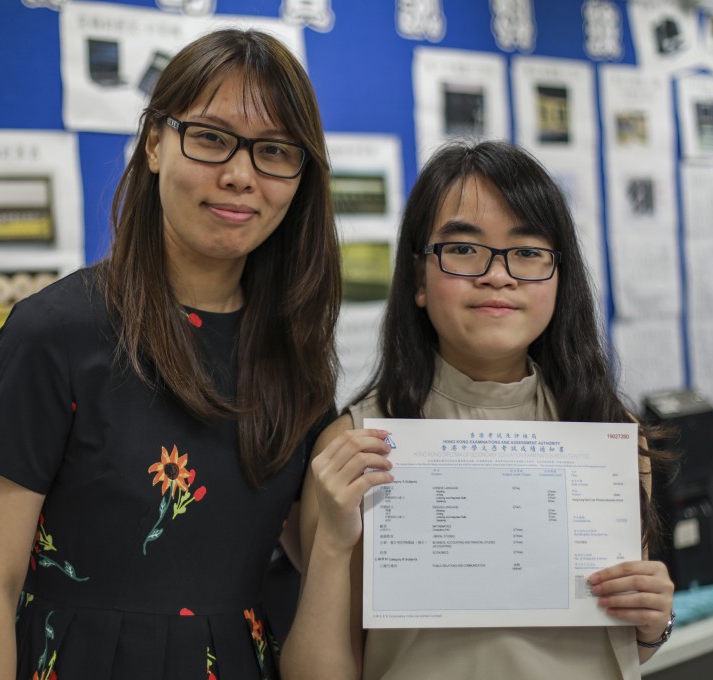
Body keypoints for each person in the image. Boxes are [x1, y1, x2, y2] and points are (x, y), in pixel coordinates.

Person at [0, 28, 340, 680]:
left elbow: (314, 550)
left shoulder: (291, 352)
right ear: (155, 142)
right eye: (212, 138)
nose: (241, 176)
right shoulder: (55, 334)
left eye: (275, 151)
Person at [280, 140, 675, 680]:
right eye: (463, 250)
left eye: (528, 251)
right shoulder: (354, 448)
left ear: (559, 277)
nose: (498, 275)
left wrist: (652, 623)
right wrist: (329, 541)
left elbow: (621, 645)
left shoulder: (611, 438)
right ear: (418, 278)